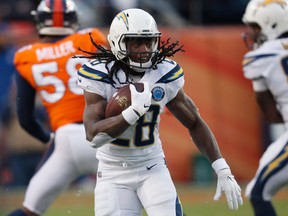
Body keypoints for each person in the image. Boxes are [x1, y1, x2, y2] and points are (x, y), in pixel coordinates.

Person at [77, 8, 243, 216]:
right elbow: (93, 135)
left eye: (149, 42)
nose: (144, 48)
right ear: (118, 42)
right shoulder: (100, 75)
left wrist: (221, 167)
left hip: (152, 167)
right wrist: (133, 112)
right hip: (112, 173)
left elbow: (194, 122)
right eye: (136, 42)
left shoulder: (163, 73)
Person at [8, 0, 106, 215]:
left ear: (39, 21)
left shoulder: (26, 56)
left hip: (64, 140)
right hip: (103, 134)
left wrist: (48, 139)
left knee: (29, 210)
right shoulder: (91, 39)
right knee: (144, 194)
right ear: (73, 20)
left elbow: (25, 119)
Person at [242, 0, 288, 216]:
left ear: (270, 24)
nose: (250, 32)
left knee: (258, 192)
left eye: (254, 26)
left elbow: (270, 114)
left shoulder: (260, 57)